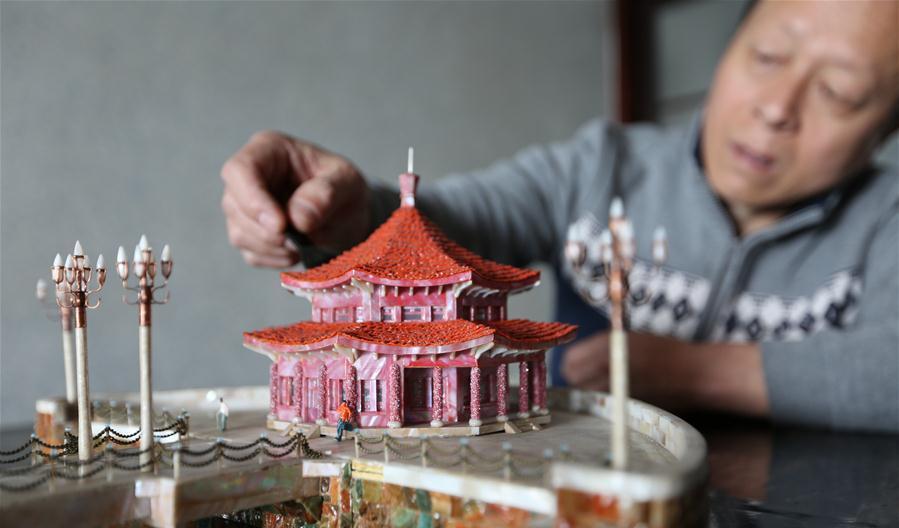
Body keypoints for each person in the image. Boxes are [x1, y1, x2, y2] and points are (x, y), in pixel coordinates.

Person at [220, 0, 899, 432]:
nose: (777, 107)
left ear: (883, 131)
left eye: (839, 93)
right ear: (728, 49)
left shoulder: (884, 218)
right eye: (767, 56)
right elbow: (460, 221)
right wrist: (355, 218)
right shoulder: (600, 167)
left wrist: (690, 371)